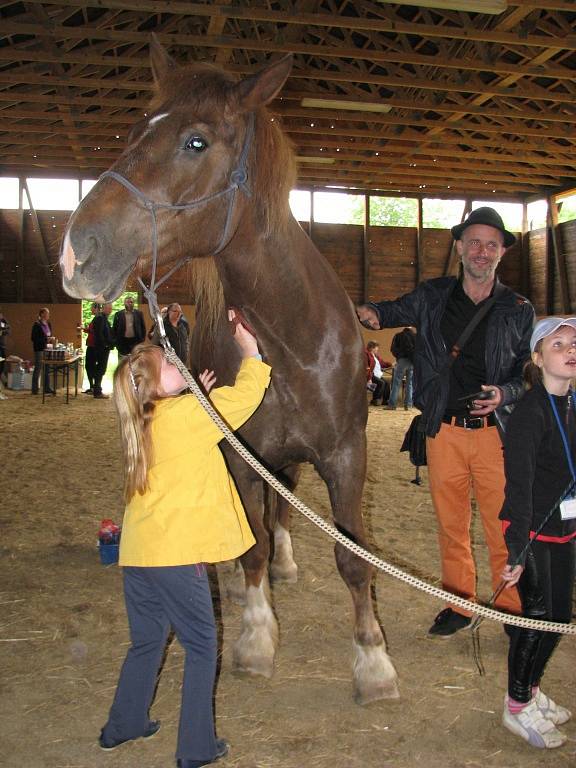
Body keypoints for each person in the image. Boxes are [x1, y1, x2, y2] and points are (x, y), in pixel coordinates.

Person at [99, 311, 271, 768]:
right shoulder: (189, 414)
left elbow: (193, 428)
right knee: (200, 646)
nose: (181, 364)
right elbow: (247, 397)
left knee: (147, 641)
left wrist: (198, 398)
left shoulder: (146, 421)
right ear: (156, 385)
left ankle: (124, 724)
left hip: (139, 558)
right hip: (176, 559)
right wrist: (250, 353)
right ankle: (196, 748)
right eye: (170, 363)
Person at [356, 207, 535, 636]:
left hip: (497, 436)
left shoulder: (518, 308)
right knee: (451, 525)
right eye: (474, 242)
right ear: (459, 247)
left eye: (491, 244)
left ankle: (510, 609)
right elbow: (388, 310)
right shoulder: (433, 295)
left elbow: (527, 372)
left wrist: (505, 394)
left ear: (501, 253)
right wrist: (366, 310)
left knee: (502, 526)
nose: (481, 250)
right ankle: (461, 604)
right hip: (444, 432)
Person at [499, 317, 576, 749]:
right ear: (537, 357)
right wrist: (516, 551)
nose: (569, 350)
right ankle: (515, 705)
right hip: (530, 530)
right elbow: (519, 487)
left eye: (574, 342)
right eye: (557, 343)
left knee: (560, 619)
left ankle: (530, 689)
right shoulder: (531, 412)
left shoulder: (573, 403)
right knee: (537, 618)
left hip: (565, 527)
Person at [386, 327, 416, 410]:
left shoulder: (398, 335)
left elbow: (393, 349)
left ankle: (392, 405)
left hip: (402, 360)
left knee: (396, 383)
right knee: (409, 384)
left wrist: (398, 356)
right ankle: (408, 405)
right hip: (412, 361)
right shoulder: (415, 336)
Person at [92, 302, 115, 399]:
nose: (110, 310)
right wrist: (105, 344)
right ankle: (97, 391)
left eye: (111, 309)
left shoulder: (103, 318)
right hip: (101, 348)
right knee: (100, 369)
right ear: (103, 308)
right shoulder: (100, 318)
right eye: (109, 308)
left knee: (101, 369)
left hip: (103, 348)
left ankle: (97, 390)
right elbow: (99, 334)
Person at [31, 307, 55, 395]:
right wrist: (46, 339)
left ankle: (47, 388)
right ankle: (34, 389)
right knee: (38, 368)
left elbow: (50, 334)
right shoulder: (37, 324)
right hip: (39, 349)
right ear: (41, 314)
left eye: (48, 313)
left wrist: (51, 339)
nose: (48, 315)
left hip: (48, 349)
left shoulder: (48, 323)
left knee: (47, 369)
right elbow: (33, 338)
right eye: (46, 313)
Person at [81, 302, 100, 394]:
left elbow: (96, 331)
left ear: (96, 308)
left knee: (90, 366)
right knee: (89, 366)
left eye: (92, 308)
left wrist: (87, 329)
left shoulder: (98, 318)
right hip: (91, 345)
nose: (91, 310)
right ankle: (92, 386)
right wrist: (86, 329)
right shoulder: (95, 318)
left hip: (94, 346)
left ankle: (94, 386)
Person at [365, 340, 391, 406]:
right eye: (376, 347)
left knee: (387, 383)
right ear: (371, 348)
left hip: (377, 374)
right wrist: (369, 378)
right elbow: (367, 367)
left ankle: (385, 400)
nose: (377, 349)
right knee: (381, 383)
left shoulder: (375, 355)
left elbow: (382, 363)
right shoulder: (366, 354)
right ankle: (375, 399)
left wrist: (390, 364)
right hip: (371, 374)